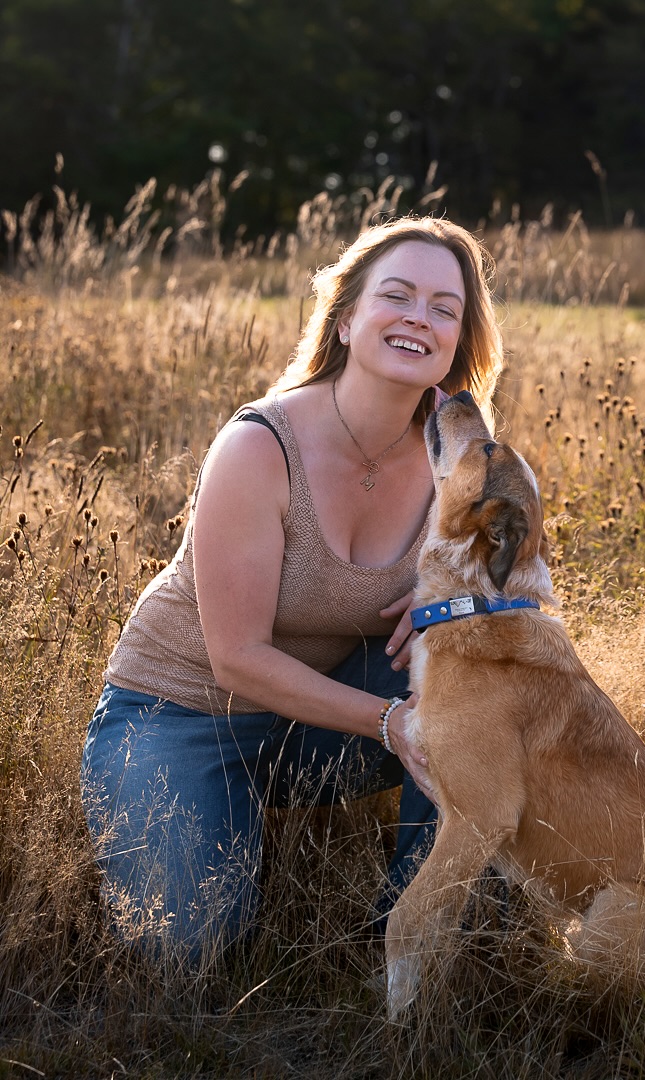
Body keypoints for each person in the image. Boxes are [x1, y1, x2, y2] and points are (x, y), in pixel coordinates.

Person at [80, 216, 504, 964]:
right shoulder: (258, 446)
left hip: (315, 720)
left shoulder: (457, 445)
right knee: (193, 949)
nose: (419, 318)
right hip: (182, 712)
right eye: (397, 296)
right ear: (346, 319)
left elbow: (523, 576)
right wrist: (392, 723)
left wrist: (457, 594)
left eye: (445, 307)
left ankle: (412, 931)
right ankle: (209, 816)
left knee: (483, 676)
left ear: (459, 339)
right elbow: (237, 658)